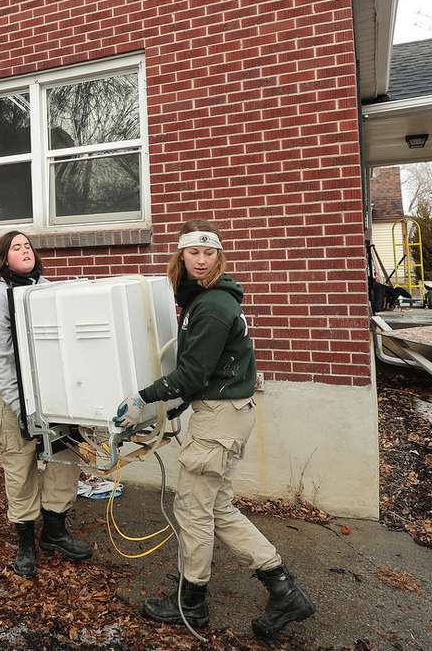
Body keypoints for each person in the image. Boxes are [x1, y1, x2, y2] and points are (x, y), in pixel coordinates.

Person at [113, 219, 316, 639]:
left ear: (219, 257)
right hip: (225, 412)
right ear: (181, 256)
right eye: (193, 252)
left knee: (194, 510)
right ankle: (283, 588)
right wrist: (178, 403)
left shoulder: (212, 306)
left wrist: (142, 398)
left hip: (219, 420)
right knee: (218, 508)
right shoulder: (203, 301)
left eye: (209, 253)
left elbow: (190, 373)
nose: (201, 260)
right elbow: (205, 373)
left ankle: (192, 605)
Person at [0, 230, 94, 577]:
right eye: (16, 246)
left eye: (28, 245)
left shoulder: (45, 286)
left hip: (44, 383)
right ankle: (25, 540)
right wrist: (20, 406)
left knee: (64, 449)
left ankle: (54, 531)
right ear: (3, 257)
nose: (25, 250)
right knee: (20, 455)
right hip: (3, 385)